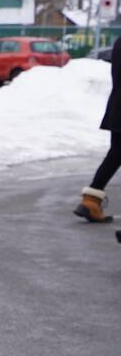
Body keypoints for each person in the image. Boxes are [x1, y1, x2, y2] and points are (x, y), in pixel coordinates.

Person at [74, 36, 121, 223]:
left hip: (117, 106)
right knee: (116, 154)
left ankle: (91, 201)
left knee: (116, 154)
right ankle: (90, 201)